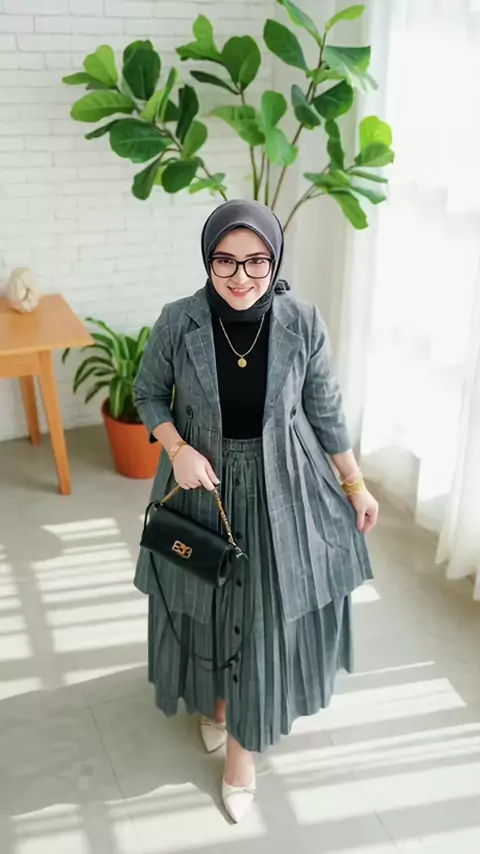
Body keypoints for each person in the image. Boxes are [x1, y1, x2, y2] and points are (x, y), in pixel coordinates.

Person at [134, 199, 378, 823]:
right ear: (207, 260)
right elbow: (148, 393)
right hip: (202, 485)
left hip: (284, 486)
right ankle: (216, 701)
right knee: (207, 602)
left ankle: (241, 755)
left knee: (263, 617)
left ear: (275, 260)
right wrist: (178, 449)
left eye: (256, 261)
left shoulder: (302, 321)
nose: (240, 276)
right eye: (225, 261)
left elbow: (325, 409)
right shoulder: (179, 320)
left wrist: (354, 484)